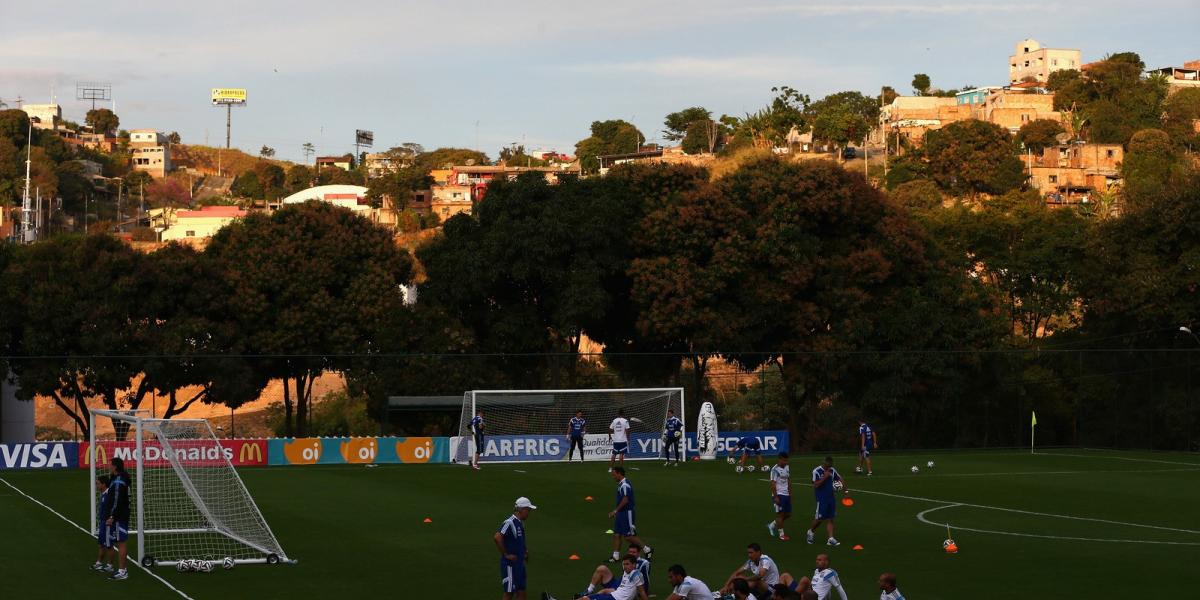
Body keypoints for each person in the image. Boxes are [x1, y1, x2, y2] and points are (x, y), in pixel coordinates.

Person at [719, 543, 796, 599]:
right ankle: (728, 593)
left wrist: (746, 579)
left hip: (772, 588)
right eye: (748, 553)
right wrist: (726, 585)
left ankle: (737, 594)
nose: (749, 555)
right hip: (761, 588)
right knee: (738, 577)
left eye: (751, 553)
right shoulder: (750, 562)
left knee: (755, 581)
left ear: (758, 552)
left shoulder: (765, 560)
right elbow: (737, 572)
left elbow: (760, 576)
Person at [495, 497, 537, 600]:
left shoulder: (520, 523)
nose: (529, 513)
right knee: (509, 592)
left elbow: (518, 540)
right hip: (510, 565)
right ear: (521, 509)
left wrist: (524, 551)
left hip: (519, 564)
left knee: (521, 591)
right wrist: (506, 554)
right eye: (528, 510)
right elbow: (497, 536)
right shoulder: (509, 522)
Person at [607, 467, 652, 561]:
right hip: (621, 513)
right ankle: (615, 556)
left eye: (614, 474)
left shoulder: (625, 485)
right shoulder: (621, 484)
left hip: (627, 512)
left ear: (619, 474)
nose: (613, 476)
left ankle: (647, 550)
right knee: (617, 534)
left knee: (628, 536)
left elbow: (625, 499)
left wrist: (615, 511)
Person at [580, 546, 650, 597]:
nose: (631, 554)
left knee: (604, 592)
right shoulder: (625, 560)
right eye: (630, 552)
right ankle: (588, 591)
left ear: (639, 553)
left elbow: (645, 578)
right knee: (602, 568)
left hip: (624, 589)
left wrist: (643, 592)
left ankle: (589, 597)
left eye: (634, 552)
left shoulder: (644, 563)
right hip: (620, 584)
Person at [806, 456, 845, 546]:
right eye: (828, 465)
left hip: (831, 498)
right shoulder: (816, 471)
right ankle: (810, 532)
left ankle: (830, 538)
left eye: (830, 465)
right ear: (824, 463)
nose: (829, 467)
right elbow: (815, 485)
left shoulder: (832, 470)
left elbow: (840, 479)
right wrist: (825, 477)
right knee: (819, 519)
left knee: (831, 518)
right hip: (821, 499)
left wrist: (846, 491)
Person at [106, 457, 131, 581]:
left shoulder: (118, 481)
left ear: (115, 466)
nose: (108, 466)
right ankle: (122, 570)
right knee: (119, 541)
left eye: (110, 464)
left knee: (121, 542)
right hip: (122, 514)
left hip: (120, 516)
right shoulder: (119, 478)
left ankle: (122, 571)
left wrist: (112, 515)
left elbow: (117, 500)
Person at [89, 475, 114, 573]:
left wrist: (110, 519)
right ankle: (99, 563)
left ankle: (110, 565)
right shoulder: (103, 494)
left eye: (98, 483)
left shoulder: (108, 495)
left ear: (103, 484)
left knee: (109, 545)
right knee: (101, 544)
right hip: (103, 523)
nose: (96, 485)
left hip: (107, 523)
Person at [768, 452, 792, 541]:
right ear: (779, 459)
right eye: (784, 460)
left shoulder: (787, 467)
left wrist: (790, 493)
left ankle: (772, 525)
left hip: (786, 494)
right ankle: (781, 535)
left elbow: (788, 479)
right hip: (779, 494)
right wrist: (776, 497)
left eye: (786, 460)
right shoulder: (775, 470)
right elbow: (773, 484)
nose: (785, 462)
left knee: (788, 514)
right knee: (780, 515)